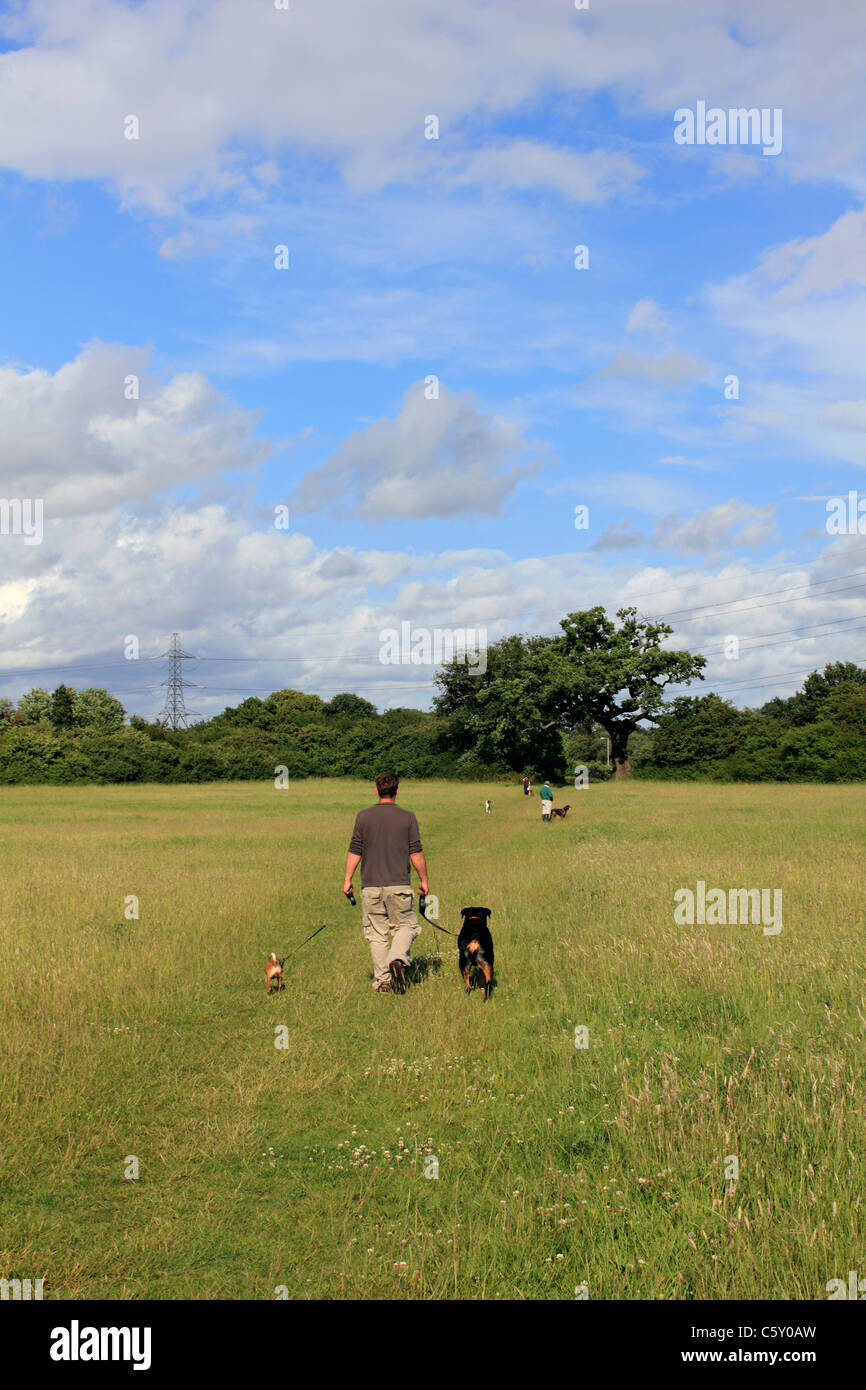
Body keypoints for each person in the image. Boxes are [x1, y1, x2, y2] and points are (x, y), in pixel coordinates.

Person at [343, 771, 429, 995]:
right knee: (407, 926)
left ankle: (383, 982)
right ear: (397, 791)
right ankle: (398, 958)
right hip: (399, 885)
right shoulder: (408, 817)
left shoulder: (363, 816)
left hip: (370, 886)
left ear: (376, 790)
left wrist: (347, 879)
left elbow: (355, 850)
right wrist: (424, 880)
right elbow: (416, 851)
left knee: (376, 934)